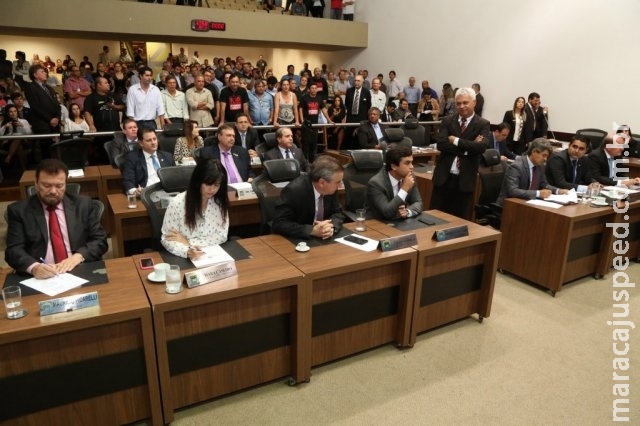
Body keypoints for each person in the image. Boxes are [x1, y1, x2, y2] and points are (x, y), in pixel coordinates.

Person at [5, 159, 108, 278]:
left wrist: (78, 256)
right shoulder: (19, 211)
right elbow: (13, 251)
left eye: (59, 186)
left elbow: (100, 240)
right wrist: (34, 267)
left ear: (65, 184)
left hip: (79, 269)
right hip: (40, 276)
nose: (53, 191)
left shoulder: (83, 205)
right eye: (46, 185)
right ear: (36, 184)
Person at [430, 87, 490, 220]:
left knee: (458, 221)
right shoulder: (447, 120)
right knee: (434, 218)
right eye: (458, 103)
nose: (461, 106)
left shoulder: (482, 124)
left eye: (465, 102)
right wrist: (470, 147)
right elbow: (441, 144)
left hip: (464, 181)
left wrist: (456, 140)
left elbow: (481, 147)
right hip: (443, 179)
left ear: (474, 102)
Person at [161, 159, 229, 259]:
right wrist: (186, 251)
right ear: (198, 181)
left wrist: (188, 242)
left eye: (216, 185)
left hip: (212, 255)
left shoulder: (219, 202)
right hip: (183, 258)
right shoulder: (177, 203)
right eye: (207, 184)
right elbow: (167, 238)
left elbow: (221, 235)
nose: (212, 190)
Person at [272, 155, 345, 239]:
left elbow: (338, 212)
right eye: (338, 182)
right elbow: (279, 223)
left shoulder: (331, 189)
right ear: (322, 182)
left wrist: (331, 226)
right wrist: (311, 230)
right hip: (299, 240)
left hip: (324, 238)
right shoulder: (294, 191)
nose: (340, 185)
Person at [497, 138, 567, 205]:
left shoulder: (540, 166)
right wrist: (538, 193)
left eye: (547, 156)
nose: (545, 159)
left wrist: (558, 191)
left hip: (528, 204)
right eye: (544, 155)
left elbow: (544, 184)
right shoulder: (517, 166)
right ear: (534, 152)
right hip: (509, 206)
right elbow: (512, 191)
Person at [366, 145, 422, 220]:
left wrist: (407, 212)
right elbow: (387, 212)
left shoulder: (410, 177)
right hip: (377, 223)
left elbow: (418, 203)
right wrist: (404, 189)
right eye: (407, 163)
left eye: (412, 162)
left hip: (399, 223)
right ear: (394, 166)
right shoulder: (376, 183)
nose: (412, 167)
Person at [122, 127, 175, 196]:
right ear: (141, 143)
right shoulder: (132, 158)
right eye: (149, 140)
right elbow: (128, 181)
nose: (153, 142)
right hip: (147, 195)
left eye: (154, 139)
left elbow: (175, 178)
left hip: (167, 193)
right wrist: (135, 191)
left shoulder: (167, 156)